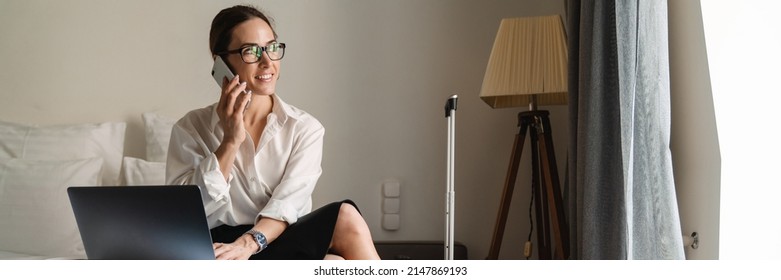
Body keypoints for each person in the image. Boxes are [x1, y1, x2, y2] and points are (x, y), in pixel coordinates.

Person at [166, 4, 380, 260]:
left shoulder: (304, 128)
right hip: (214, 248)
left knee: (345, 217)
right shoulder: (191, 128)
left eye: (272, 48)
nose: (267, 62)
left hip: (274, 239)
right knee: (333, 263)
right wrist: (230, 141)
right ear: (220, 62)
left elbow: (288, 204)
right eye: (251, 52)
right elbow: (186, 213)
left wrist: (248, 243)